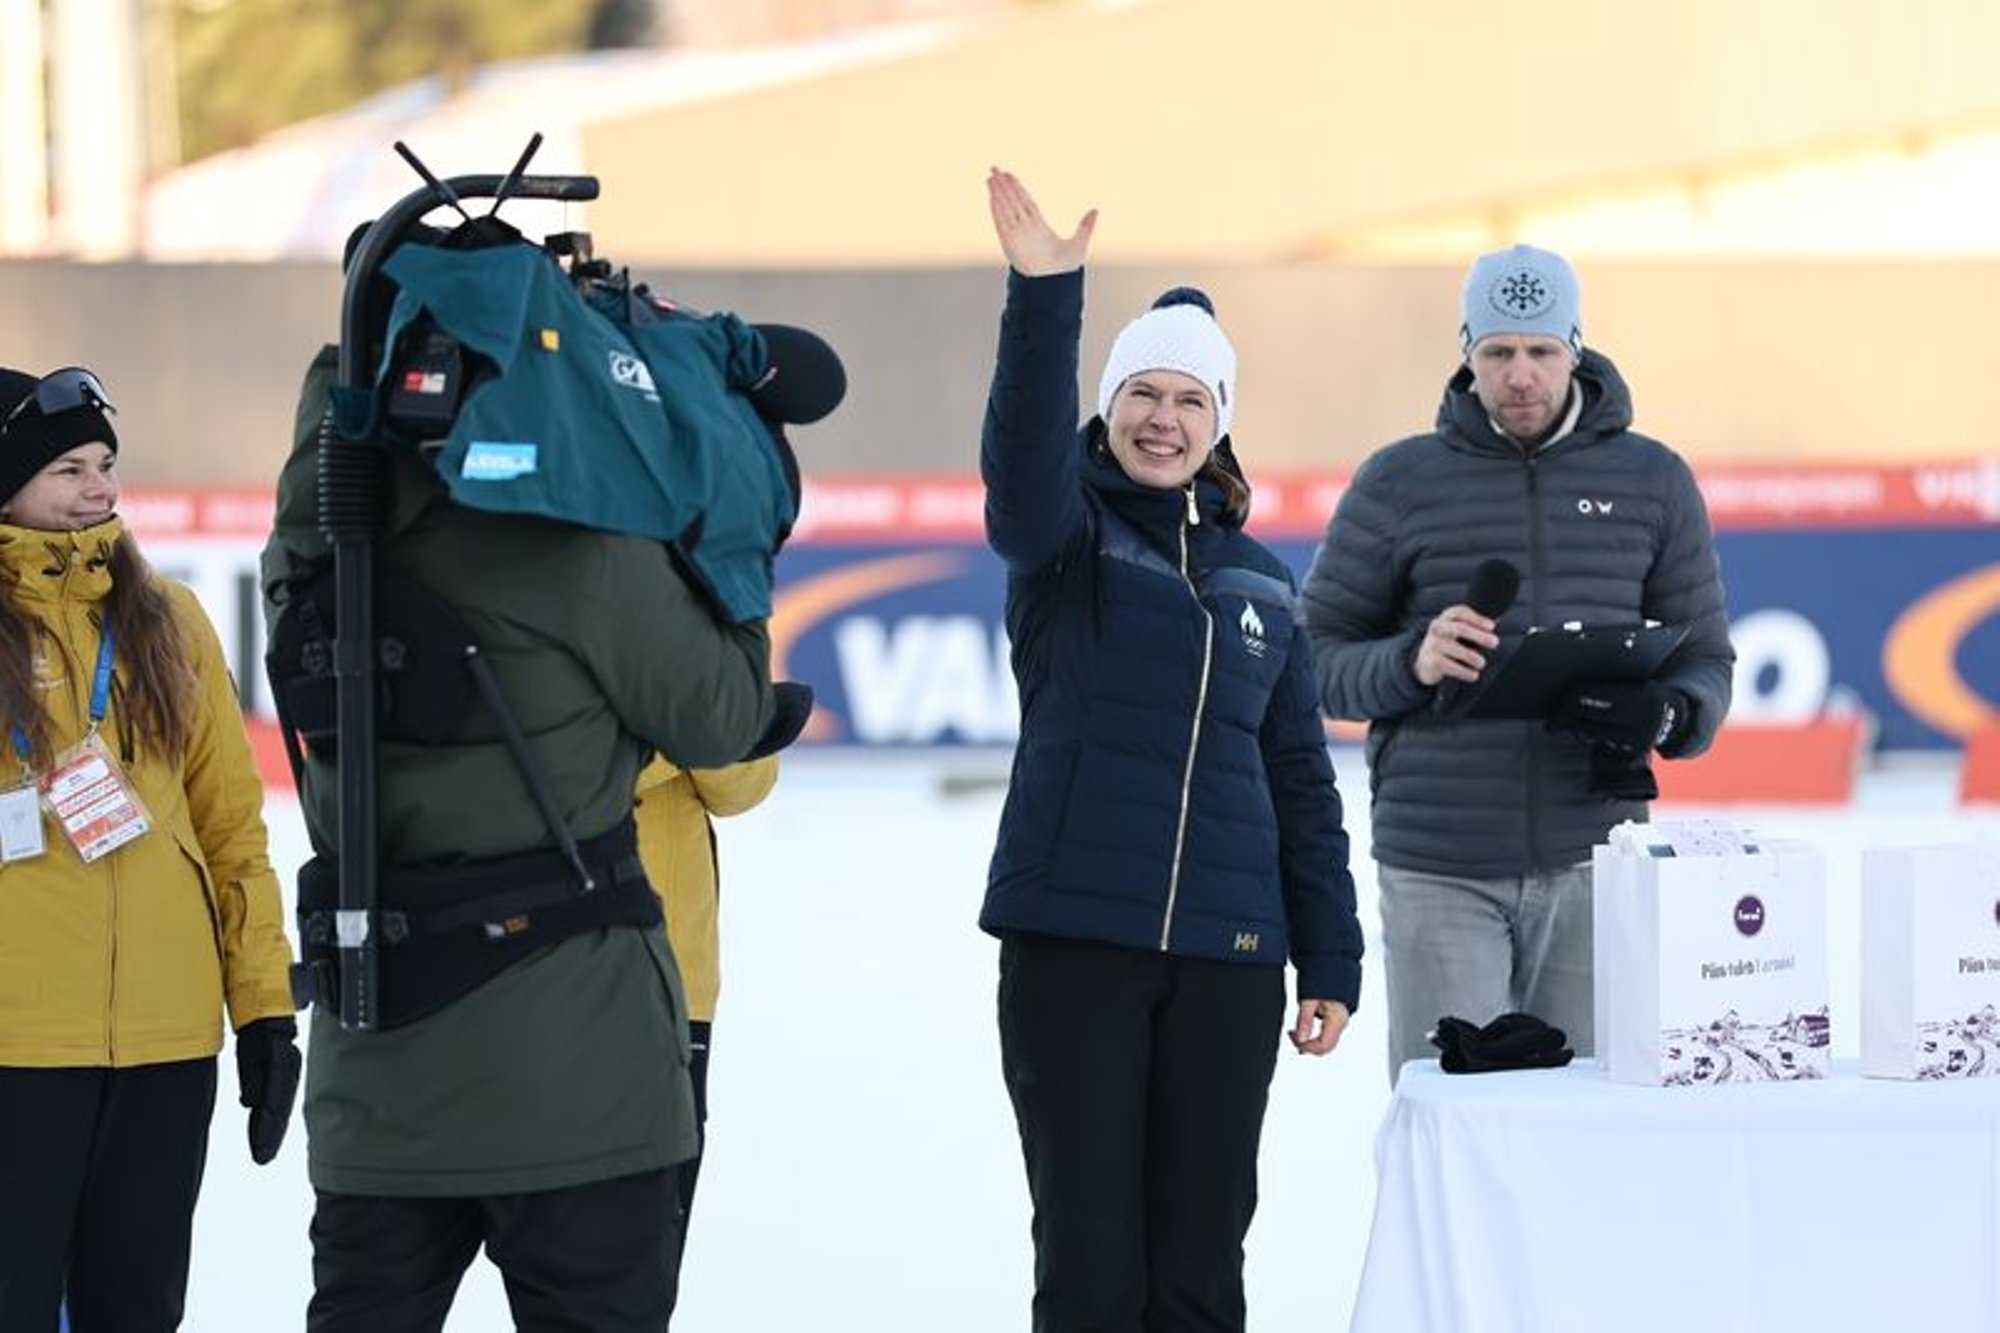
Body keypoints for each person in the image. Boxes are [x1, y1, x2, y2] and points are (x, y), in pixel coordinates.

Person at [264, 332, 778, 1331]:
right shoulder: (584, 551)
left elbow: (315, 478)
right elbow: (729, 729)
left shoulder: (317, 559)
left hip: (376, 1082)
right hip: (578, 1079)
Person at [979, 168, 1364, 1333]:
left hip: (1228, 959)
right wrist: (1045, 298)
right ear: (1105, 409)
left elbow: (1299, 777)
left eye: (1190, 401)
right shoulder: (1064, 544)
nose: (1164, 418)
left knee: (1199, 1271)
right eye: (1140, 393)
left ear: (1220, 423)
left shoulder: (1258, 577)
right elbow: (1017, 476)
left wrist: (1330, 956)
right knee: (1093, 1272)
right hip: (1075, 949)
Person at [1300, 243, 1735, 1082]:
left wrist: (1672, 715)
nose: (1521, 375)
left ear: (1576, 347)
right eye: (1497, 352)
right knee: (1458, 1115)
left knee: (1584, 1126)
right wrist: (1412, 661)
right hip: (1440, 863)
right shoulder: (1397, 481)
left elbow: (1706, 655)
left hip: (1595, 860)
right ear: (1466, 354)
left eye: (1541, 350)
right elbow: (1311, 658)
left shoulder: (1654, 480)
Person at [0, 365, 299, 1333]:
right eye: (67, 470)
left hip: (167, 1044)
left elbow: (228, 829)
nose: (99, 488)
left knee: (136, 1309)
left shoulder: (166, 619)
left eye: (105, 464)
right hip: (18, 1042)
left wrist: (260, 1010)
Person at [632, 752, 780, 1251]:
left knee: (640, 1275)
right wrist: (680, 723)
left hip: (672, 981)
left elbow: (744, 783)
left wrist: (675, 722)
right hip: (519, 975)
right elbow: (567, 761)